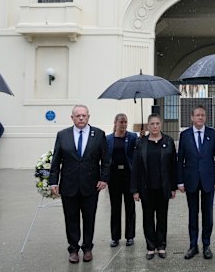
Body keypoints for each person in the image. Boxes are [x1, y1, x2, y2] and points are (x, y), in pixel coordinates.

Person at [49, 105, 110, 264]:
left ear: (88, 117)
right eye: (78, 116)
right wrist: (53, 181)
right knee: (71, 218)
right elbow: (56, 160)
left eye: (84, 115)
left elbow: (106, 160)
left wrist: (104, 178)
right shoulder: (63, 135)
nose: (81, 118)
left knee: (89, 218)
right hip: (69, 186)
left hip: (91, 186)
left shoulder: (99, 134)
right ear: (72, 118)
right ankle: (73, 249)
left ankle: (88, 247)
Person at [177, 105, 215, 260]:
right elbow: (180, 160)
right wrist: (180, 181)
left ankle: (206, 245)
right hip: (190, 180)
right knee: (192, 215)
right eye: (197, 115)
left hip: (208, 180)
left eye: (203, 115)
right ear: (192, 117)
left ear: (206, 117)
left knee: (208, 215)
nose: (200, 118)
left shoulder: (212, 134)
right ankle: (192, 245)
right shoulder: (185, 135)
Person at [132, 114, 177, 260]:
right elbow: (136, 168)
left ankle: (161, 246)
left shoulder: (168, 141)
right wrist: (135, 190)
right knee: (148, 218)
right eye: (152, 124)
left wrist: (173, 187)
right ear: (148, 126)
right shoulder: (141, 143)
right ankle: (151, 247)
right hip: (146, 188)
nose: (155, 126)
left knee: (162, 218)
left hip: (163, 188)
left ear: (161, 125)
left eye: (158, 123)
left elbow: (173, 166)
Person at [106, 113, 138, 248]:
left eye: (126, 122)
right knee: (115, 207)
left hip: (128, 177)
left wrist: (141, 138)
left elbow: (139, 150)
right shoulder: (108, 139)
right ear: (115, 123)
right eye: (121, 122)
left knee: (130, 207)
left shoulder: (132, 137)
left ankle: (130, 236)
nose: (124, 125)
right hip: (114, 177)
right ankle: (115, 237)